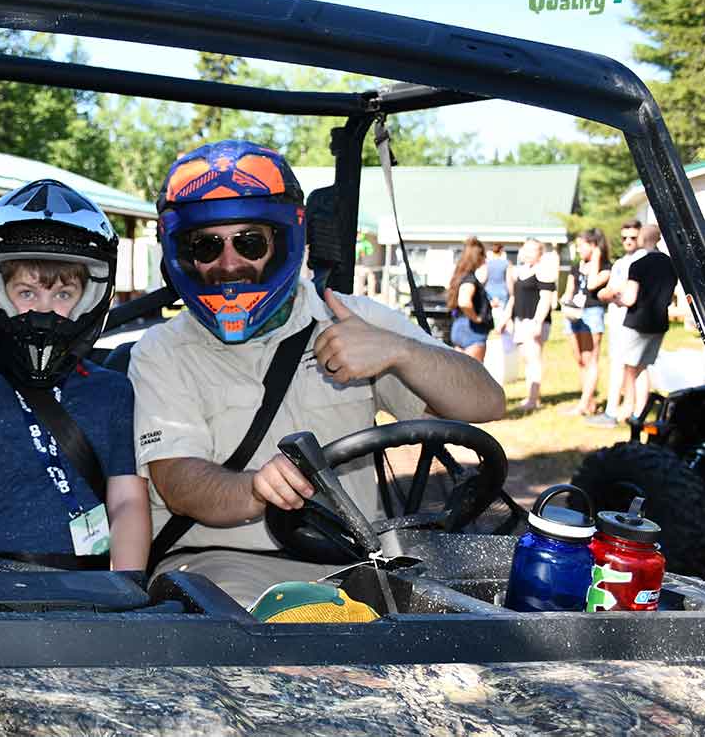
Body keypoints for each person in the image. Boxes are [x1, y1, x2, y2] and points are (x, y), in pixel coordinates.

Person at [128, 140, 505, 607]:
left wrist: (401, 352)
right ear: (181, 254)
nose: (229, 263)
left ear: (284, 239)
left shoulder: (348, 317)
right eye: (206, 245)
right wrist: (254, 488)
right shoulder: (163, 350)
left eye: (249, 242)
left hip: (358, 568)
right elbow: (179, 482)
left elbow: (486, 402)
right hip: (219, 564)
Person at [0, 180, 151, 570]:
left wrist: (127, 586)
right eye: (26, 293)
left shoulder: (112, 391)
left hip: (94, 592)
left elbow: (128, 501)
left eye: (63, 295)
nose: (43, 312)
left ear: (91, 297)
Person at [613, 224, 678, 424]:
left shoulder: (638, 265)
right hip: (659, 322)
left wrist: (616, 298)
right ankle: (641, 410)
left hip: (637, 322)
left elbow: (630, 299)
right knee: (643, 367)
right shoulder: (671, 264)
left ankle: (629, 408)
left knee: (630, 368)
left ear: (643, 238)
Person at [588, 220, 647, 427]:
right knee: (618, 365)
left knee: (635, 368)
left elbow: (626, 292)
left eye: (633, 237)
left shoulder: (643, 260)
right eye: (624, 238)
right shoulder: (621, 262)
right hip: (616, 319)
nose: (628, 241)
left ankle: (633, 413)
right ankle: (616, 410)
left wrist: (613, 293)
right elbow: (606, 290)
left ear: (640, 236)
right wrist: (613, 293)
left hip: (633, 321)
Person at [499, 238, 557, 411]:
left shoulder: (543, 271)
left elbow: (546, 299)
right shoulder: (520, 271)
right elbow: (514, 298)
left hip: (534, 321)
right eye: (526, 250)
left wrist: (537, 323)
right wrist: (506, 318)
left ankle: (534, 399)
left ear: (540, 254)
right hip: (521, 320)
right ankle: (530, 396)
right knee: (527, 359)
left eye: (533, 250)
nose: (528, 253)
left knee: (534, 359)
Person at [560, 228, 610, 416]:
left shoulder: (606, 267)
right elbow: (569, 290)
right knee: (580, 359)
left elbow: (591, 284)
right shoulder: (575, 267)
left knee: (591, 358)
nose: (579, 249)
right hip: (574, 313)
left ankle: (583, 404)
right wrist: (564, 304)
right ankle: (589, 400)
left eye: (582, 245)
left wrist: (596, 258)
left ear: (594, 246)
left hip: (592, 313)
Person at [446, 237, 493, 362]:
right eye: (484, 255)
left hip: (458, 328)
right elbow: (464, 301)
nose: (485, 259)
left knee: (458, 374)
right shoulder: (470, 279)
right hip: (472, 331)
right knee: (473, 376)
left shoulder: (459, 276)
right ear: (478, 256)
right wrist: (476, 318)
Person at [484, 242, 511, 309]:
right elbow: (508, 280)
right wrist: (512, 294)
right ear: (501, 251)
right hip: (502, 292)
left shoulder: (487, 263)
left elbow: (484, 278)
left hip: (489, 292)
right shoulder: (507, 263)